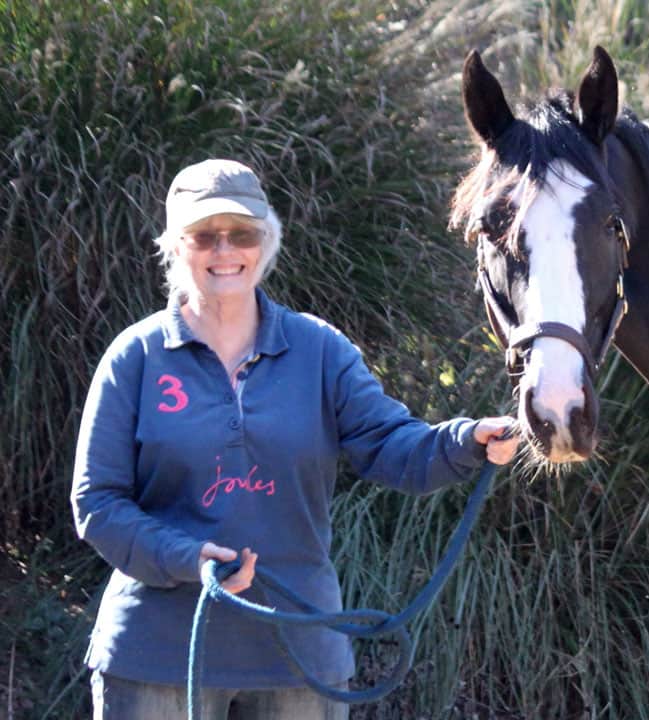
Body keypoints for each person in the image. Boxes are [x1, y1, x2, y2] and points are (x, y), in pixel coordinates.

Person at [71, 159, 520, 719]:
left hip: (300, 660)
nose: (224, 250)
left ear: (266, 241)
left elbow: (391, 446)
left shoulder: (319, 350)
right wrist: (188, 558)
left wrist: (466, 441)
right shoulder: (134, 357)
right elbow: (97, 503)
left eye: (242, 233)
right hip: (158, 658)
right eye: (204, 235)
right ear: (175, 245)